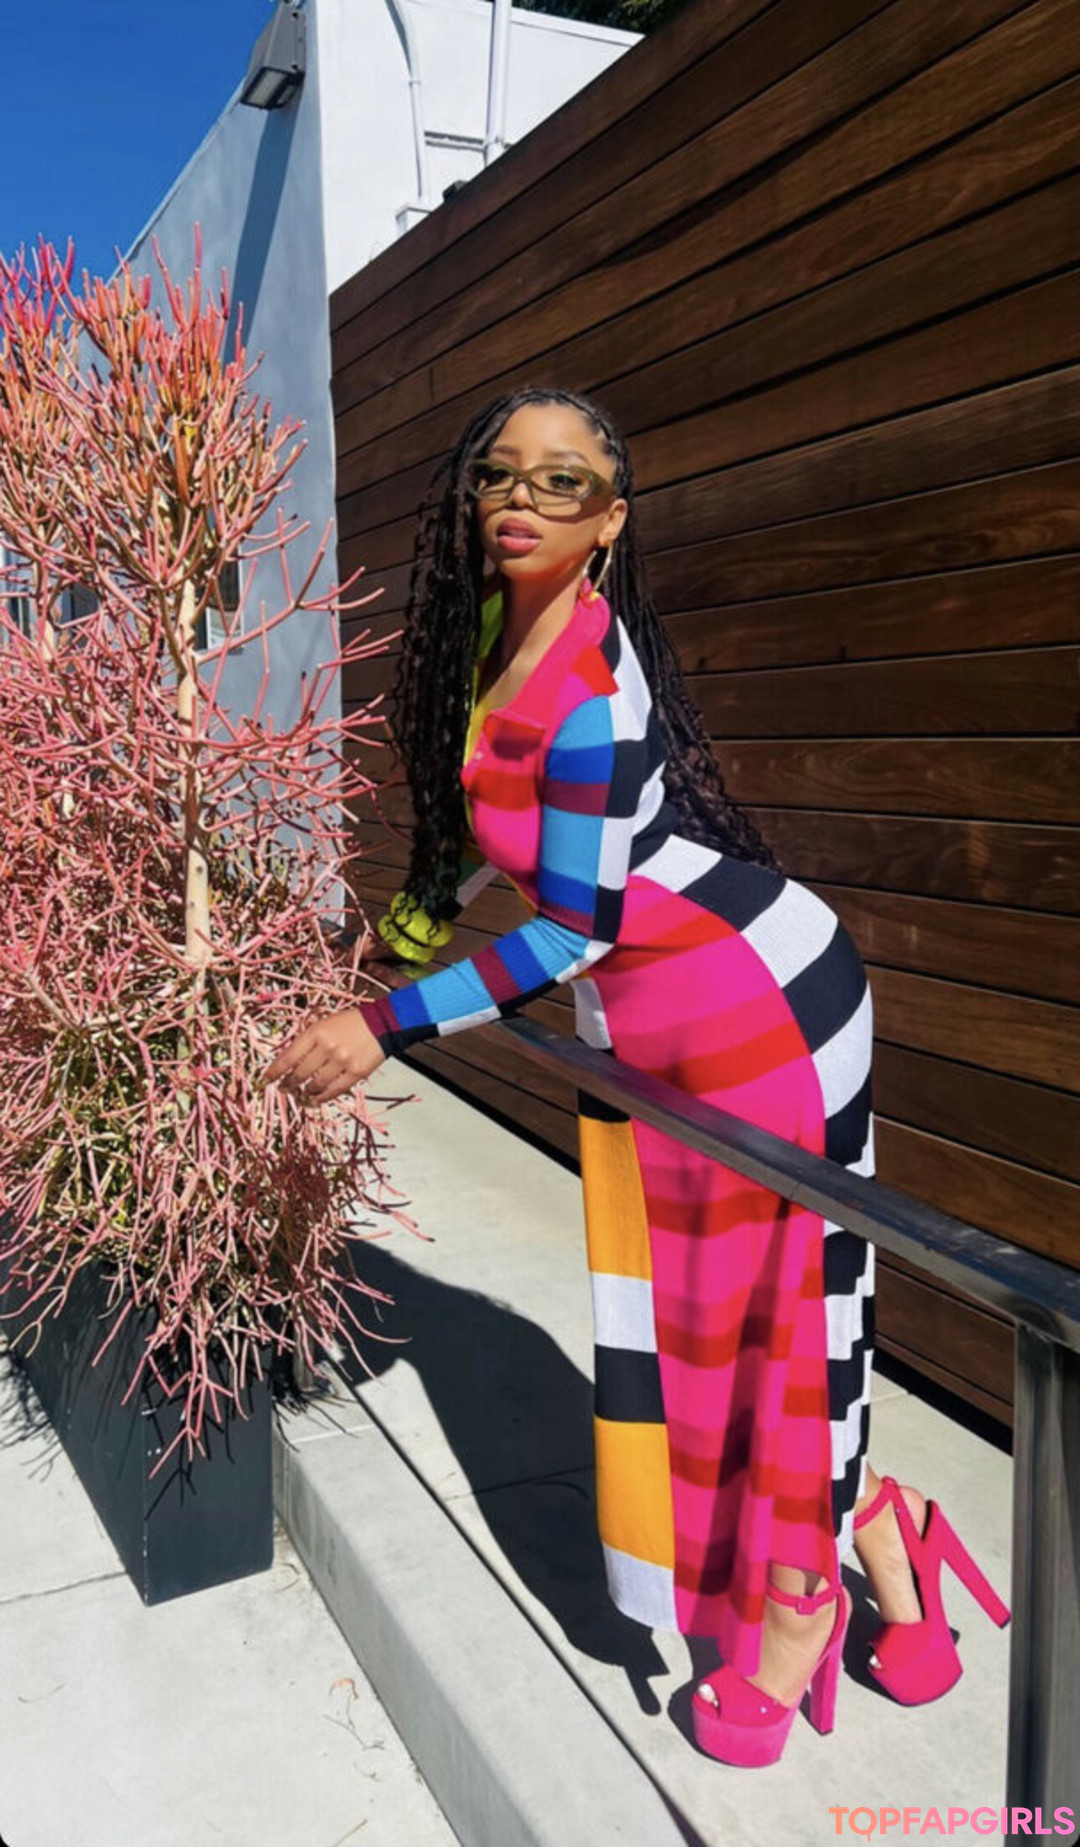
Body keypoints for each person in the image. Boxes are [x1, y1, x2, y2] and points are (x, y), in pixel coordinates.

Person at [262, 387, 1009, 1766]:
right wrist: (384, 948)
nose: (521, 498)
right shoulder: (492, 641)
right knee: (702, 1333)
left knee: (781, 1320)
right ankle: (886, 1530)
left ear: (611, 520)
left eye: (561, 481)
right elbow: (478, 843)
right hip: (648, 1030)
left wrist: (388, 1021)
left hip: (757, 1009)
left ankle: (799, 1603)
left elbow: (573, 928)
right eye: (499, 474)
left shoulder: (593, 688)